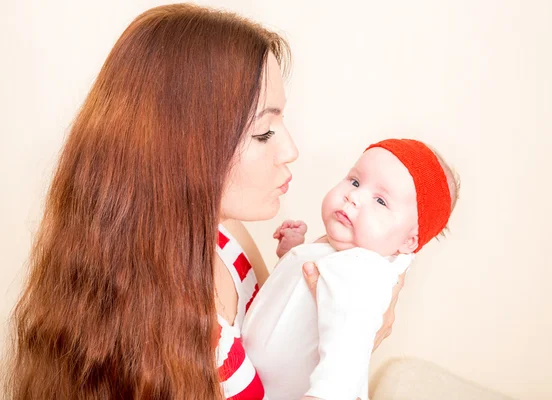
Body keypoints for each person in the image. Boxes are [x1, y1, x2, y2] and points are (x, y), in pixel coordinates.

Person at [5, 4, 402, 399]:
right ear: (182, 149)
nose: (291, 150)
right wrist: (352, 351)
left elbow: (279, 345)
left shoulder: (229, 237)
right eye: (264, 132)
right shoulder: (169, 326)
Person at [242, 139, 460, 400]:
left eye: (380, 201)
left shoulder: (364, 272)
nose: (354, 196)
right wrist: (292, 252)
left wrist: (325, 394)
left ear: (408, 241)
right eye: (355, 181)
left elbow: (346, 352)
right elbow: (296, 300)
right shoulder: (344, 252)